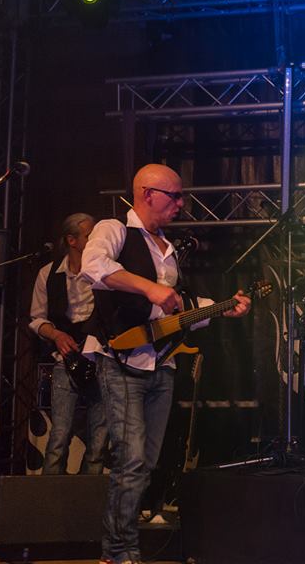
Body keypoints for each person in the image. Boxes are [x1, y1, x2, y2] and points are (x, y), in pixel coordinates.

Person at [81, 164, 251, 564]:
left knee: (146, 461)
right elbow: (93, 266)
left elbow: (177, 309)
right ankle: (118, 551)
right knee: (131, 458)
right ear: (147, 194)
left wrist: (223, 308)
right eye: (174, 196)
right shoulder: (114, 229)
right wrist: (149, 288)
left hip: (161, 363)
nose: (180, 203)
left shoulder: (168, 250)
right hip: (121, 360)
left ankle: (123, 544)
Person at [29, 212, 108, 474]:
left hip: (102, 359)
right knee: (59, 437)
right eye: (89, 236)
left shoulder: (105, 271)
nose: (96, 240)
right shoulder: (48, 274)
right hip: (66, 359)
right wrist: (57, 335)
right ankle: (50, 497)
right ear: (72, 240)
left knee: (98, 441)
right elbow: (37, 319)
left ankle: (88, 496)